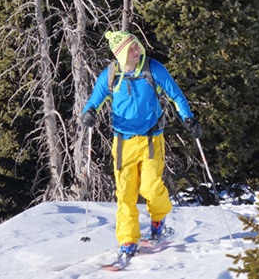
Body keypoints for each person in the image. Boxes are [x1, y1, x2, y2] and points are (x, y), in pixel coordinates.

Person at [80, 29, 202, 268]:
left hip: (150, 140)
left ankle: (158, 221)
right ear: (120, 55)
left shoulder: (153, 69)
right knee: (124, 194)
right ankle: (127, 242)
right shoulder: (111, 75)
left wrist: (188, 119)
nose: (136, 50)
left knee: (150, 187)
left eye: (136, 45)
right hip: (123, 142)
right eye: (130, 49)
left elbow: (176, 95)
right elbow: (95, 100)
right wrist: (89, 113)